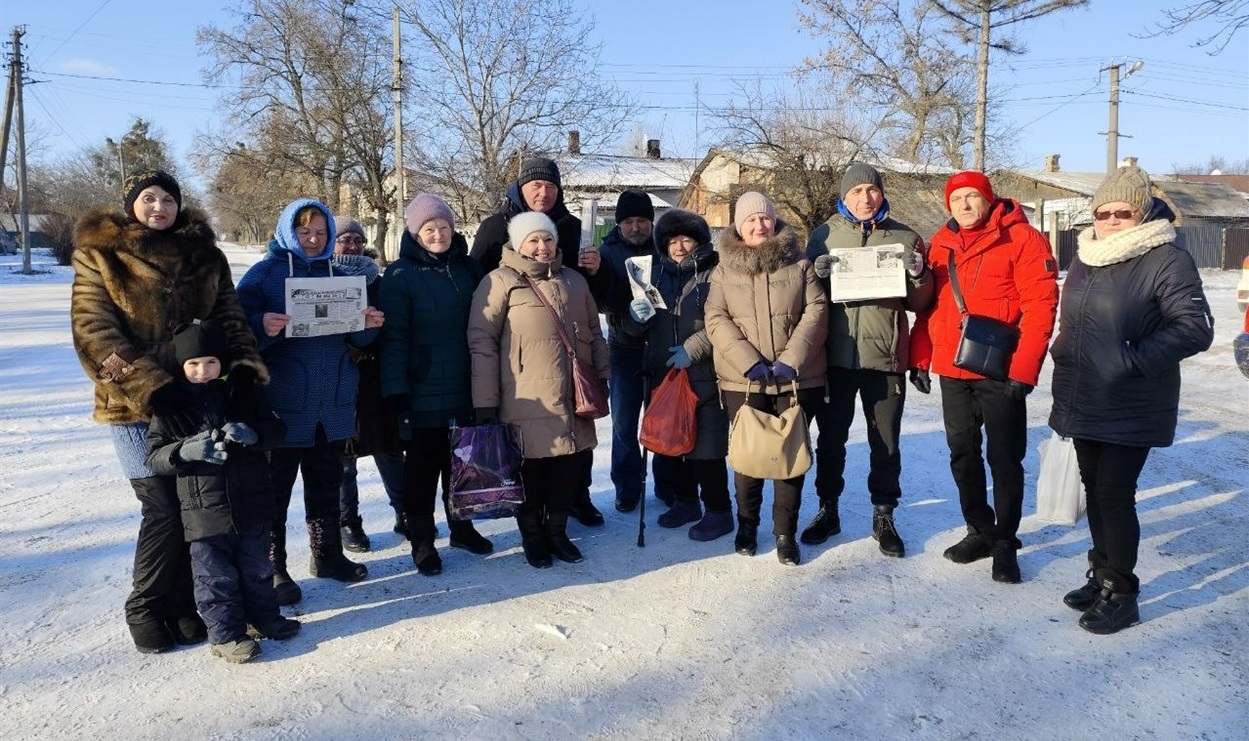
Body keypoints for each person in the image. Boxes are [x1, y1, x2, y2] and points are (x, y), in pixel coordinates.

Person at [71, 169, 268, 654]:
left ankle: (183, 604)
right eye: (148, 198)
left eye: (168, 199)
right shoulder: (101, 256)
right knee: (161, 507)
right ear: (130, 205)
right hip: (134, 406)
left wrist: (244, 370)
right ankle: (144, 606)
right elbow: (94, 333)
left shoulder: (206, 255)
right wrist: (154, 389)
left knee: (193, 507)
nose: (159, 207)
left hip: (201, 400)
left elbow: (231, 317)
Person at [1049, 165, 1214, 634]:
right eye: (1104, 213)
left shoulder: (1166, 258)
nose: (1112, 221)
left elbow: (1195, 328)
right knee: (1094, 489)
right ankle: (1101, 575)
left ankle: (1122, 594)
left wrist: (1130, 360)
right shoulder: (1087, 255)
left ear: (1142, 213)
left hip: (1131, 398)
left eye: (1123, 212)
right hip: (1085, 394)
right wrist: (1064, 347)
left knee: (1114, 494)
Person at [910, 170, 1059, 584]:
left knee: (1005, 458)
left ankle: (1006, 541)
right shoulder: (941, 243)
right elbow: (930, 307)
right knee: (963, 454)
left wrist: (1024, 370)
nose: (965, 204)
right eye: (957, 198)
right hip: (952, 367)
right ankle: (979, 529)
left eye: (973, 196)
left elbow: (1041, 307)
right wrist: (920, 356)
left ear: (989, 199)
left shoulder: (1023, 239)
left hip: (1000, 369)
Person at [236, 199, 385, 605]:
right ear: (289, 232)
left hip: (331, 403)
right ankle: (273, 567)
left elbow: (357, 339)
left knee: (325, 484)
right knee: (274, 493)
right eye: (305, 233)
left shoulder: (341, 276)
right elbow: (235, 330)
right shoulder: (265, 275)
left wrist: (368, 326)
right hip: (283, 406)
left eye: (321, 233)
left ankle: (327, 555)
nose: (314, 240)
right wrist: (260, 326)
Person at [145, 320, 300, 664]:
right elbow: (154, 457)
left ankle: (264, 618)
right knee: (215, 577)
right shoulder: (170, 405)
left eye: (211, 362)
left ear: (224, 361)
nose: (203, 371)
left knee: (258, 567)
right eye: (193, 364)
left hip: (253, 501)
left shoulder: (245, 392)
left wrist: (253, 434)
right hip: (205, 511)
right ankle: (226, 635)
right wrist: (184, 451)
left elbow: (277, 429)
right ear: (180, 365)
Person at [802, 163, 934, 557]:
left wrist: (918, 274)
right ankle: (828, 509)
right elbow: (806, 297)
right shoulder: (824, 236)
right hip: (835, 358)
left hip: (885, 358)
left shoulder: (905, 237)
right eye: (857, 191)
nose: (866, 198)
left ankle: (884, 514)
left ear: (882, 193)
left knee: (885, 442)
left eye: (872, 190)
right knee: (831, 441)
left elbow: (920, 304)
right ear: (844, 196)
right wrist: (817, 274)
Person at [468, 212, 610, 569]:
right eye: (533, 240)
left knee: (568, 465)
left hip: (572, 394)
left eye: (547, 239)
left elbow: (594, 333)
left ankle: (557, 532)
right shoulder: (499, 282)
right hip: (523, 395)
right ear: (518, 244)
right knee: (530, 469)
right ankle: (532, 535)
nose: (542, 246)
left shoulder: (574, 280)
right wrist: (485, 401)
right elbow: (482, 343)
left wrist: (602, 375)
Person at [705, 191, 828, 566]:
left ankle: (785, 532)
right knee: (749, 455)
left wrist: (791, 359)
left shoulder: (800, 264)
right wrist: (748, 362)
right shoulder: (724, 270)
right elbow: (715, 318)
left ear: (774, 220)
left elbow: (816, 310)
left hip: (795, 379)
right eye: (751, 220)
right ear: (739, 227)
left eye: (765, 218)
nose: (759, 225)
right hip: (743, 381)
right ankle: (747, 524)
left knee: (788, 456)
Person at [379, 194, 494, 576]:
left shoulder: (468, 268)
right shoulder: (400, 275)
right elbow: (394, 338)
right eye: (429, 229)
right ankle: (423, 541)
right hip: (422, 390)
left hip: (465, 385)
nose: (438, 234)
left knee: (462, 463)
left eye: (444, 227)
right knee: (422, 472)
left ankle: (462, 528)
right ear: (415, 232)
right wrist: (396, 392)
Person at [622, 209, 733, 540]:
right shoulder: (652, 277)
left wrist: (693, 349)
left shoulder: (718, 273)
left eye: (686, 239)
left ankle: (719, 510)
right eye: (672, 241)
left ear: (699, 241)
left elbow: (728, 321)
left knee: (706, 449)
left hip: (706, 375)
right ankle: (686, 502)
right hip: (665, 375)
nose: (679, 247)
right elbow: (632, 333)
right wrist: (634, 318)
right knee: (675, 445)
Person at [592, 190, 676, 514]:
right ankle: (627, 488)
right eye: (628, 221)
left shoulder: (664, 248)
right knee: (623, 422)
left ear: (651, 222)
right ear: (619, 223)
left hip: (660, 345)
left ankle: (666, 484)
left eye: (642, 220)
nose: (636, 227)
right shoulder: (607, 252)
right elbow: (599, 300)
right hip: (623, 346)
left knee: (663, 419)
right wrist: (626, 310)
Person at [331, 217, 408, 552]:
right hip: (339, 374)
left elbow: (395, 324)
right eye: (344, 239)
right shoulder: (321, 278)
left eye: (357, 240)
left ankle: (405, 510)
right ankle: (347, 521)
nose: (352, 245)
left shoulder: (378, 280)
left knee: (388, 446)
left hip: (376, 375)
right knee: (343, 456)